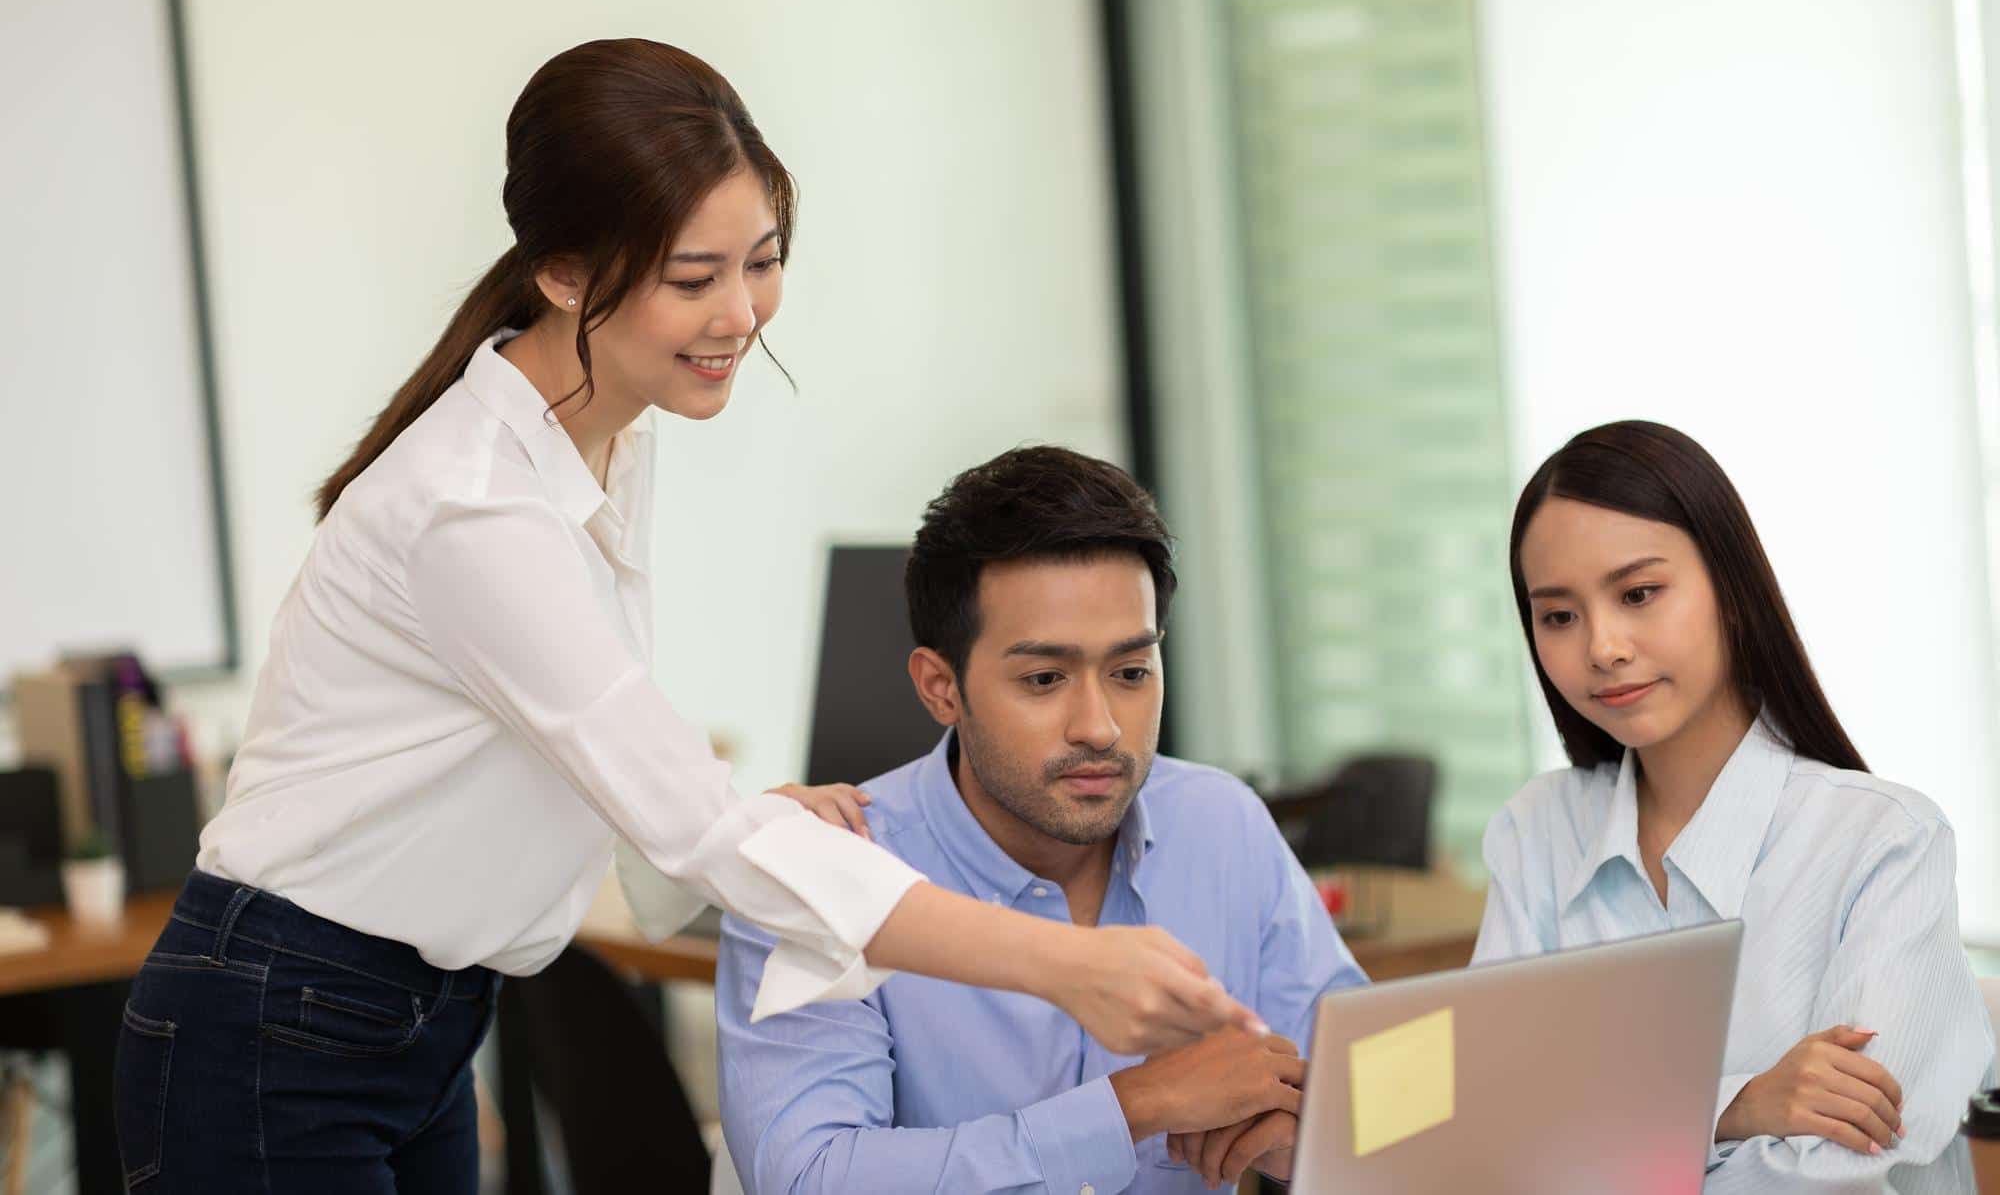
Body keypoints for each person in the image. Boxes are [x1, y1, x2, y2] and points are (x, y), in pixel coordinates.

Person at [109, 40, 1254, 1194]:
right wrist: (1066, 964)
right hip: (277, 1019)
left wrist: (732, 826)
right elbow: (681, 818)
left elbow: (589, 765)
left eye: (760, 263)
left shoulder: (605, 437)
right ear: (563, 273)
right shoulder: (473, 508)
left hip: (412, 1022)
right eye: (691, 278)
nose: (741, 314)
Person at [710, 446, 1365, 1194]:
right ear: (940, 687)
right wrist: (1138, 1105)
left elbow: (1364, 1089)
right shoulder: (826, 868)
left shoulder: (1222, 823)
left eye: (1130, 673)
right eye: (1045, 678)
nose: (1100, 727)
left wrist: (1311, 1140)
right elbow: (813, 1178)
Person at [1476, 419, 1995, 1192]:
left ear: (1731, 587)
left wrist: (1592, 1134)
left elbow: (1831, 1177)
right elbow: (1490, 1134)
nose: (1603, 646)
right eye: (1559, 615)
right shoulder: (1536, 832)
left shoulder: (1887, 843)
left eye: (1639, 593)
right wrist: (1737, 1107)